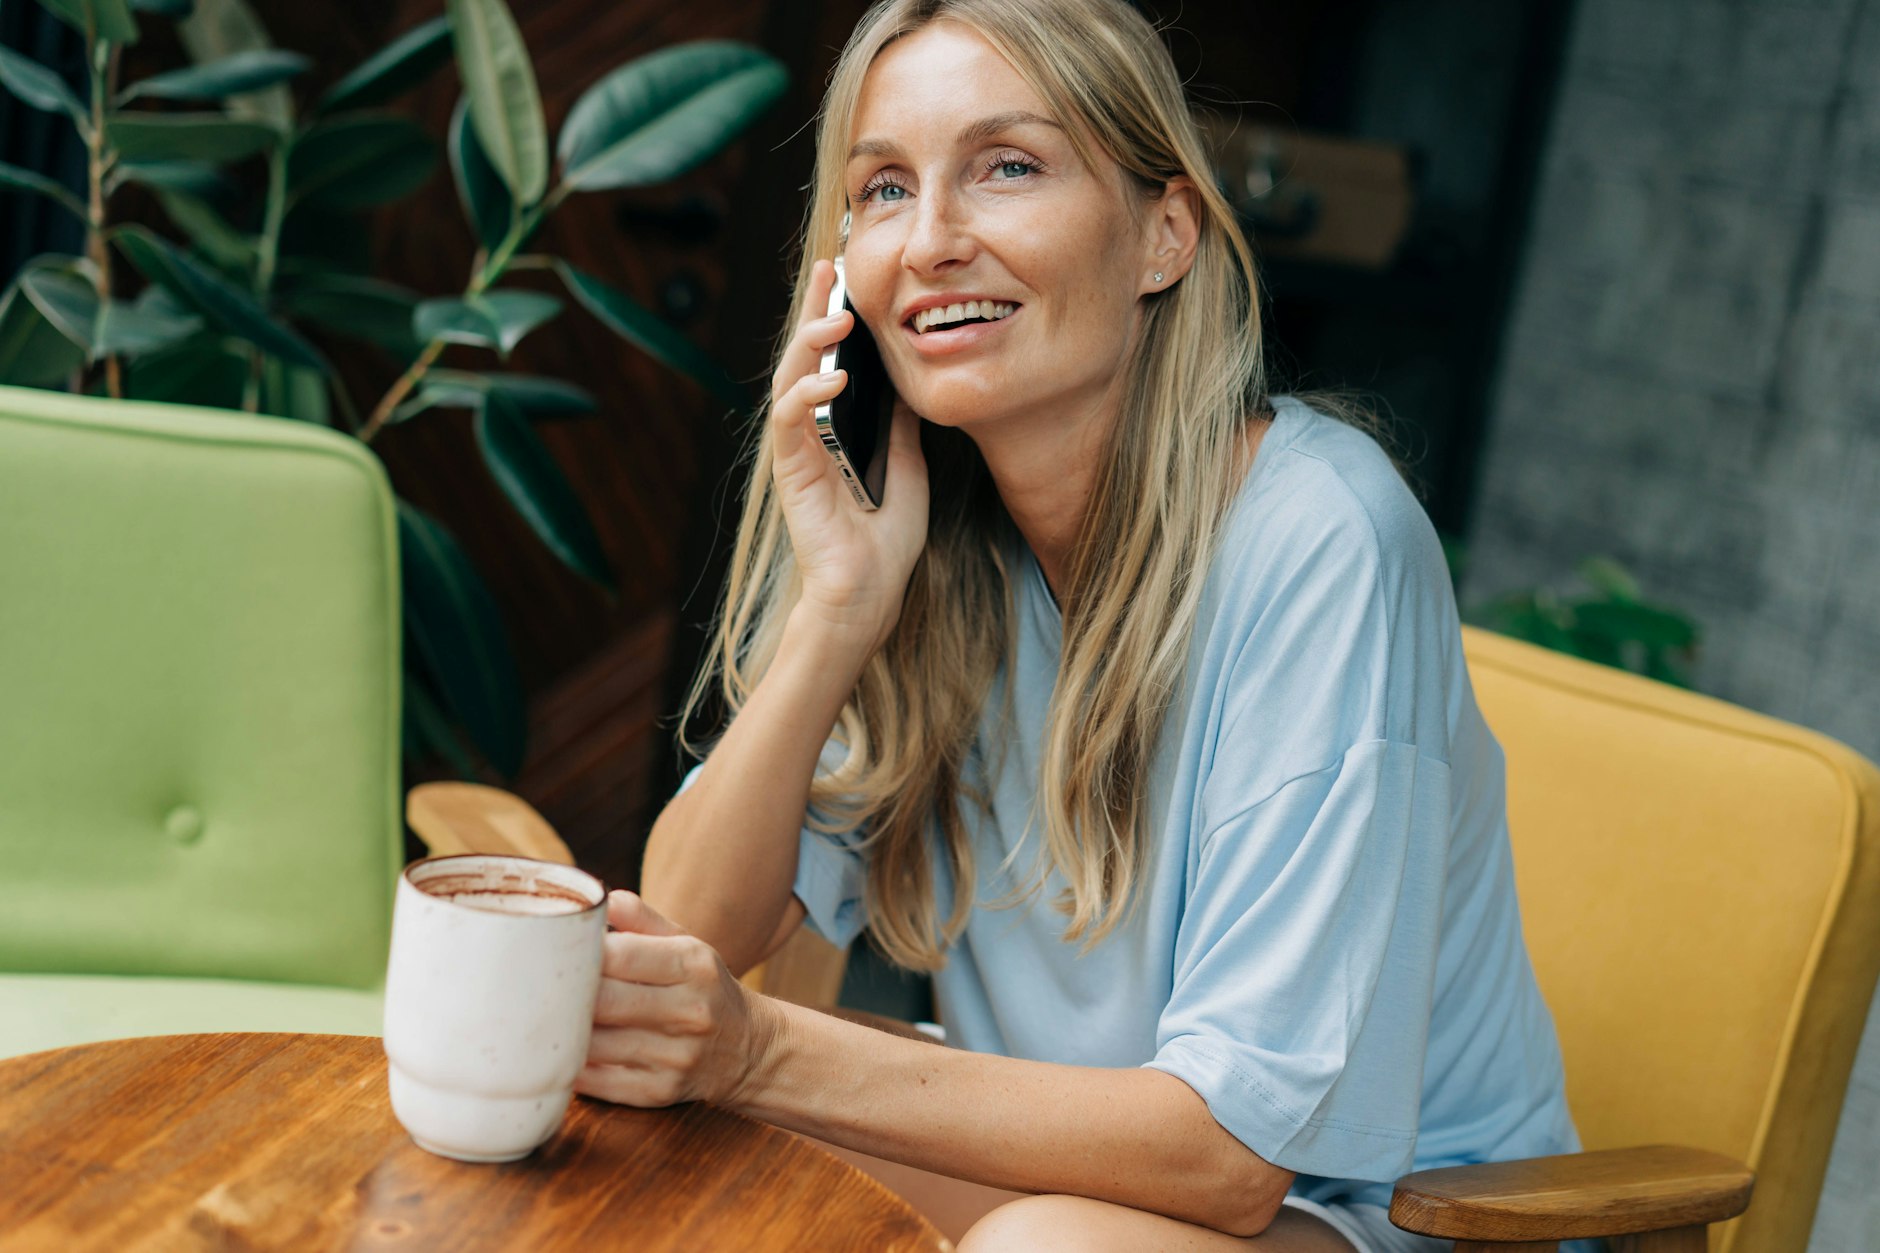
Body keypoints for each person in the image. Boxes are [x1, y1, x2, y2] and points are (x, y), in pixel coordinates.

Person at [576, 1, 1596, 1249]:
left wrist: (761, 1051)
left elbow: (1232, 1158)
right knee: (674, 1134)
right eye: (883, 188)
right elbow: (690, 935)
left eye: (1006, 166)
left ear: (1162, 232)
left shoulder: (1322, 538)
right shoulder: (929, 547)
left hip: (1397, 1222)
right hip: (1093, 1190)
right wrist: (837, 610)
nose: (933, 239)